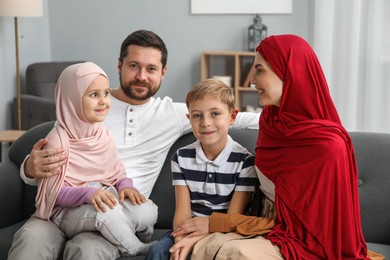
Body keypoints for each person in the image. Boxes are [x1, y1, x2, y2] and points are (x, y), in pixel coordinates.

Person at [8, 30, 260, 260]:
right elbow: (50, 152)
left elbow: (235, 117)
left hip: (114, 217)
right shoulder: (91, 103)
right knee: (31, 239)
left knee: (87, 250)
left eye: (151, 68)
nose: (141, 76)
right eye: (134, 66)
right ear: (119, 66)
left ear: (163, 73)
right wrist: (30, 167)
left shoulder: (172, 113)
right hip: (57, 211)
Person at [171, 34, 376, 259]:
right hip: (258, 226)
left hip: (293, 237)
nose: (251, 79)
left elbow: (315, 232)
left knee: (235, 253)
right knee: (207, 248)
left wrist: (218, 223)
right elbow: (212, 112)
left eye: (259, 70)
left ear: (288, 71)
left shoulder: (329, 147)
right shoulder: (270, 122)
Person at [34, 61, 155, 257]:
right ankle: (133, 247)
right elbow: (53, 193)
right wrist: (88, 194)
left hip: (98, 197)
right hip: (65, 211)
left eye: (106, 93)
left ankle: (124, 230)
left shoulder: (102, 134)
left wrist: (125, 186)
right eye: (93, 95)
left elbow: (116, 171)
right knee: (107, 212)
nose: (103, 101)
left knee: (145, 211)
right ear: (72, 99)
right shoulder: (57, 141)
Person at [146, 78, 260, 260]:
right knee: (159, 251)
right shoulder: (181, 157)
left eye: (215, 114)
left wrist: (195, 241)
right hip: (188, 229)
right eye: (197, 115)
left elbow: (233, 217)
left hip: (225, 232)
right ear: (189, 119)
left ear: (232, 117)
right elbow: (182, 213)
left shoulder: (245, 161)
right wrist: (181, 241)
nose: (205, 122)